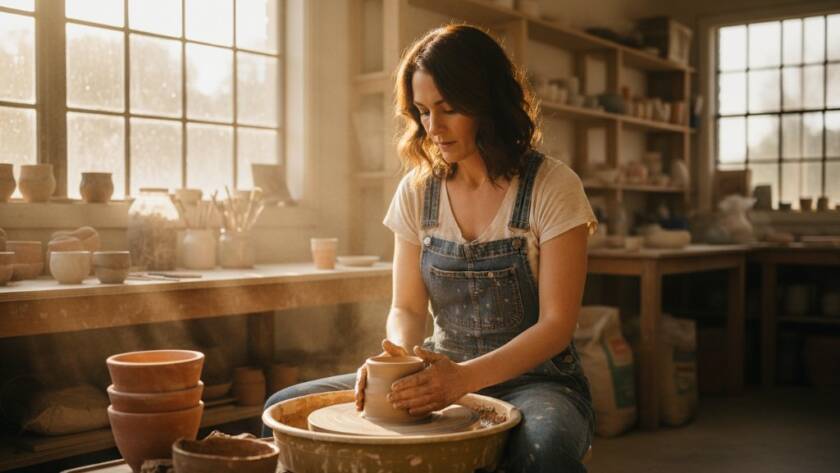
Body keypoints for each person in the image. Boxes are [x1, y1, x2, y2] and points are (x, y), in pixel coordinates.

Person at [264, 24, 597, 473]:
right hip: (438, 375)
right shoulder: (418, 190)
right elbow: (405, 308)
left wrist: (463, 380)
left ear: (488, 102)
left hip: (538, 384)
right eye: (422, 111)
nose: (433, 128)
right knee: (284, 409)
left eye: (448, 109)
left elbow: (557, 325)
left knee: (543, 451)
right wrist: (395, 358)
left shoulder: (552, 186)